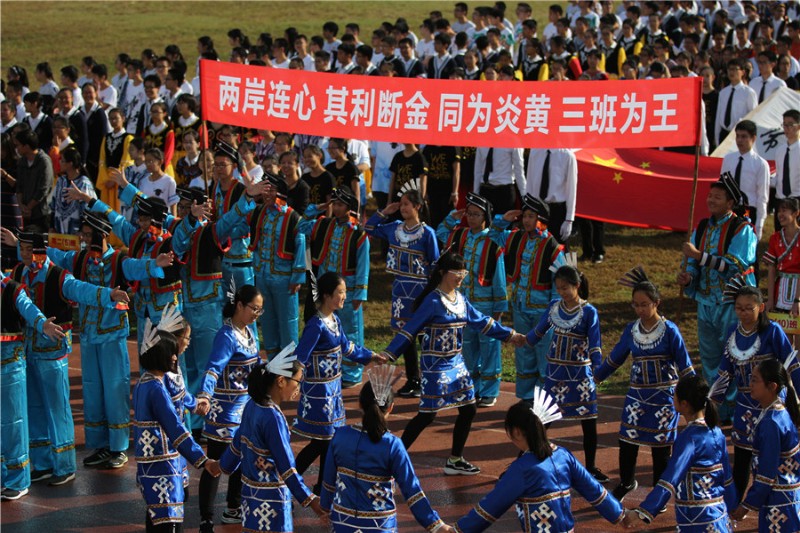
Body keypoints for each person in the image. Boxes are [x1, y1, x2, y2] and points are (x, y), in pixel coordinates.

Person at [36, 211, 171, 469]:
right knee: (93, 390)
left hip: (112, 336)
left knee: (114, 390)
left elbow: (135, 266)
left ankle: (118, 447)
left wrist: (155, 263)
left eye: (88, 235)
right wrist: (34, 245)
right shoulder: (80, 259)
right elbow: (58, 255)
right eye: (83, 235)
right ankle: (100, 445)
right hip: (88, 336)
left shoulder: (118, 259)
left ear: (100, 235)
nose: (84, 239)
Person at [383, 252, 524, 475]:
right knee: (427, 414)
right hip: (435, 365)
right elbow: (410, 330)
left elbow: (482, 321)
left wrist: (511, 335)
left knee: (468, 409)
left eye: (463, 273)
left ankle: (455, 459)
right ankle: (393, 459)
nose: (460, 277)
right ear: (442, 273)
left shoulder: (460, 299)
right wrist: (390, 353)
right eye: (456, 273)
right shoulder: (432, 301)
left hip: (456, 362)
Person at [9, 231, 129, 486]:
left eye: (29, 248)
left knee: (58, 408)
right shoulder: (19, 273)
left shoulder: (58, 276)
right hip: (29, 351)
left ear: (40, 250)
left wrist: (108, 294)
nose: (24, 253)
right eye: (22, 248)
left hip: (52, 353)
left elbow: (82, 290)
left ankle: (64, 465)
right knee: (35, 408)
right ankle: (41, 463)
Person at [454, 395, 629, 532]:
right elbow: (594, 490)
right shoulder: (564, 456)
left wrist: (459, 529)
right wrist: (620, 514)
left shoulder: (522, 468)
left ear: (516, 432)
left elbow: (492, 505)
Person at [594, 268, 695, 501]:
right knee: (627, 440)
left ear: (656, 303)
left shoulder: (669, 330)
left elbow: (685, 366)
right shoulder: (631, 329)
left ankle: (658, 493)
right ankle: (627, 482)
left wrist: (694, 396)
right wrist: (595, 379)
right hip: (637, 396)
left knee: (661, 448)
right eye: (635, 305)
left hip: (664, 397)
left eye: (644, 304)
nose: (640, 309)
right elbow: (615, 358)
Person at [320, 369, 452, 532]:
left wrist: (325, 507)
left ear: (360, 404)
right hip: (380, 526)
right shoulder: (392, 445)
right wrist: (436, 525)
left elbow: (328, 482)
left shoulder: (340, 436)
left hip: (342, 523)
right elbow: (412, 490)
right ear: (391, 407)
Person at [708, 282, 800, 502]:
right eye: (739, 308)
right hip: (744, 408)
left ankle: (779, 503)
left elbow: (791, 364)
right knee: (741, 462)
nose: (744, 312)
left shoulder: (772, 331)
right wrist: (711, 404)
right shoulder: (733, 332)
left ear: (761, 307)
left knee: (772, 459)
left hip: (772, 407)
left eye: (749, 307)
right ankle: (736, 507)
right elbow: (725, 371)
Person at [292, 272, 381, 494]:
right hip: (319, 392)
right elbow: (300, 357)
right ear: (326, 295)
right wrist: (294, 381)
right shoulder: (316, 325)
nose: (344, 297)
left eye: (344, 292)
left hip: (333, 390)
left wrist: (370, 355)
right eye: (340, 293)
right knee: (322, 442)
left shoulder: (334, 320)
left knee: (327, 442)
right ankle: (289, 482)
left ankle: (321, 487)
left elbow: (347, 347)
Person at [677, 176, 757, 422]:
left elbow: (734, 266)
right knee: (710, 356)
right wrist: (687, 277)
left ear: (730, 202)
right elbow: (692, 262)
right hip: (706, 302)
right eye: (710, 195)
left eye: (717, 197)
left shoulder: (742, 229)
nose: (711, 200)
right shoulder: (702, 226)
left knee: (732, 355)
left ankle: (734, 408)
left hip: (732, 303)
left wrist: (699, 256)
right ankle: (715, 407)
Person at [219, 353, 328, 532]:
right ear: (280, 381)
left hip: (250, 497)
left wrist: (222, 466)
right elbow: (286, 467)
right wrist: (309, 499)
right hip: (273, 499)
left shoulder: (251, 406)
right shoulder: (273, 417)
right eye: (297, 382)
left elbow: (239, 442)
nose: (298, 388)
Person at [524, 263, 608, 482]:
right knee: (541, 419)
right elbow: (538, 332)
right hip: (556, 374)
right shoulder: (554, 306)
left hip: (580, 375)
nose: (561, 292)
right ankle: (523, 458)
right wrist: (519, 338)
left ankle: (591, 467)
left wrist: (598, 370)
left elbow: (595, 344)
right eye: (558, 288)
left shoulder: (589, 311)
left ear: (577, 286)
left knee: (588, 422)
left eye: (565, 288)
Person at [133, 325, 220, 532]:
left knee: (156, 515)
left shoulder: (145, 382)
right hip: (163, 462)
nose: (175, 357)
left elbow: (181, 397)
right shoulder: (156, 389)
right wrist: (202, 460)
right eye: (171, 352)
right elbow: (175, 428)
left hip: (151, 462)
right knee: (169, 519)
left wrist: (196, 403)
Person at [193, 284, 264, 531]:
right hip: (223, 411)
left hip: (244, 408)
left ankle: (233, 508)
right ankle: (206, 518)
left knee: (241, 457)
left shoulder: (248, 331)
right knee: (215, 463)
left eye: (260, 310)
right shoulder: (226, 335)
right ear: (240, 306)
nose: (257, 313)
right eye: (254, 308)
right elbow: (213, 368)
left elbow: (255, 363)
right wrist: (204, 395)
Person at [630, 375, 737, 530]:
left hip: (696, 520)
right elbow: (726, 477)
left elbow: (670, 478)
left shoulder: (689, 438)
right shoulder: (716, 432)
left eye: (674, 395)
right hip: (719, 516)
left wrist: (643, 511)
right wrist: (733, 505)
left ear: (684, 404)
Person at [365, 189, 440, 397]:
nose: (403, 208)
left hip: (421, 291)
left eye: (407, 204)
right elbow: (369, 227)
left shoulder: (427, 234)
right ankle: (413, 379)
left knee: (423, 338)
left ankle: (429, 379)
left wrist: (431, 294)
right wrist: (384, 211)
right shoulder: (393, 228)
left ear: (417, 206)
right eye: (401, 204)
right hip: (400, 291)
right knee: (405, 337)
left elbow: (434, 266)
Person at [489, 195, 565, 399]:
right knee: (523, 353)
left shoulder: (553, 248)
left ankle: (545, 400)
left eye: (531, 216)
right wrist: (503, 219)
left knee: (544, 356)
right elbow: (494, 235)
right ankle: (526, 398)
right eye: (525, 216)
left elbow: (560, 285)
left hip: (543, 314)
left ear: (541, 219)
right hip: (521, 308)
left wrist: (554, 313)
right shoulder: (516, 237)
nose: (526, 220)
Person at [436, 193, 508, 406]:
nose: (472, 218)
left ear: (486, 216)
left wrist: (500, 306)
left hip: (485, 302)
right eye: (469, 213)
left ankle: (489, 391)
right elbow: (440, 233)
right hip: (462, 302)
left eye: (477, 214)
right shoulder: (460, 236)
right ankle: (470, 388)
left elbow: (499, 276)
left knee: (489, 345)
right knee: (466, 346)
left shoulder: (493, 240)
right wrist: (453, 217)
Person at [0, 275, 65, 501]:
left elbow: (28, 308)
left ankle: (18, 480)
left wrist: (42, 324)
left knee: (12, 423)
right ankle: (2, 476)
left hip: (9, 366)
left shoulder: (12, 289)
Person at [298, 187, 370, 386]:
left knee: (350, 328)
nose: (335, 208)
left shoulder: (359, 233)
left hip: (348, 287)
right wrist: (316, 208)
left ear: (349, 207)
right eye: (334, 204)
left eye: (340, 205)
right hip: (325, 287)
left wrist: (360, 293)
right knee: (326, 325)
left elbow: (364, 265)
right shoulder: (324, 224)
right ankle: (331, 366)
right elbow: (301, 226)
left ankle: (352, 374)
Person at [228, 174, 305, 358]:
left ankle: (288, 365)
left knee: (287, 322)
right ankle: (272, 361)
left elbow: (301, 246)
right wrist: (224, 227)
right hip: (262, 276)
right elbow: (239, 229)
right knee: (267, 320)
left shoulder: (293, 217)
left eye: (270, 190)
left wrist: (297, 277)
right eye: (265, 190)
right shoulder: (257, 213)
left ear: (281, 193)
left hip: (284, 279)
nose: (266, 194)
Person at [730, 358, 800, 529]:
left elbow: (767, 473)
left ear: (772, 386)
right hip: (785, 498)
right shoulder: (776, 412)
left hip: (778, 502)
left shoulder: (771, 422)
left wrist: (746, 505)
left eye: (755, 380)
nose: (750, 384)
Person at [719, 120, 770, 240]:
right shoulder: (728, 159)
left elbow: (762, 196)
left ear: (753, 138)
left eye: (744, 137)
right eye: (737, 136)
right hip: (729, 208)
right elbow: (722, 186)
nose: (740, 140)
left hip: (748, 210)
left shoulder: (760, 164)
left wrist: (760, 224)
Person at [764, 197, 800, 342]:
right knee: (782, 337)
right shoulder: (775, 238)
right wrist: (770, 299)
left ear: (796, 213)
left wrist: (797, 300)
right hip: (781, 291)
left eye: (784, 210)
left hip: (798, 290)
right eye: (778, 211)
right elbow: (771, 270)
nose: (780, 214)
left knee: (798, 338)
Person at [96, 108, 133, 243]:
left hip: (118, 180)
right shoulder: (106, 137)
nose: (113, 121)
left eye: (116, 118)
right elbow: (102, 160)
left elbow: (126, 161)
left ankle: (119, 240)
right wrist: (106, 179)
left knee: (118, 210)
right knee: (106, 210)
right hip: (107, 180)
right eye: (110, 118)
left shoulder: (128, 138)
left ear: (123, 118)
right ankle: (107, 238)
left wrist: (115, 179)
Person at [524, 148, 577, 246]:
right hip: (537, 208)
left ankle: (570, 262)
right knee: (537, 245)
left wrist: (569, 219)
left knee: (562, 246)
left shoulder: (567, 156)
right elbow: (530, 182)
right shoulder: (535, 152)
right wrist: (528, 208)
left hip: (557, 209)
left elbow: (572, 189)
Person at [13, 128, 53, 232]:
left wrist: (29, 207)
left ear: (26, 146)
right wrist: (22, 207)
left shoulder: (44, 161)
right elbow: (19, 186)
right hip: (26, 215)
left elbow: (43, 189)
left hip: (41, 214)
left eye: (18, 145)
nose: (16, 149)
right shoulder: (22, 162)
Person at [50, 146, 96, 234]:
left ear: (70, 164)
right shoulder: (60, 181)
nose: (60, 162)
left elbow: (87, 210)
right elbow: (53, 205)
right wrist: (51, 226)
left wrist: (83, 230)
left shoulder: (84, 183)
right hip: (59, 232)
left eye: (62, 161)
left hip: (77, 233)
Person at [715, 59, 757, 146]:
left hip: (739, 135)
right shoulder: (723, 92)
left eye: (735, 69)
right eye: (730, 69)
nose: (732, 72)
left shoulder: (748, 92)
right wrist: (716, 136)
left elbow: (753, 115)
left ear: (743, 72)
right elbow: (719, 116)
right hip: (724, 133)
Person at [473, 146, 525, 215]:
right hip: (485, 190)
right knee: (486, 224)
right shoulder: (483, 140)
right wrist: (476, 195)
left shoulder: (513, 141)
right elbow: (478, 170)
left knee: (504, 223)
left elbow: (519, 170)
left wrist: (524, 196)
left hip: (504, 192)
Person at [772, 110, 800, 229]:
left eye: (790, 124)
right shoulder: (780, 150)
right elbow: (779, 175)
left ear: (798, 126)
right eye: (784, 124)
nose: (786, 128)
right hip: (781, 199)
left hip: (797, 199)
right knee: (780, 235)